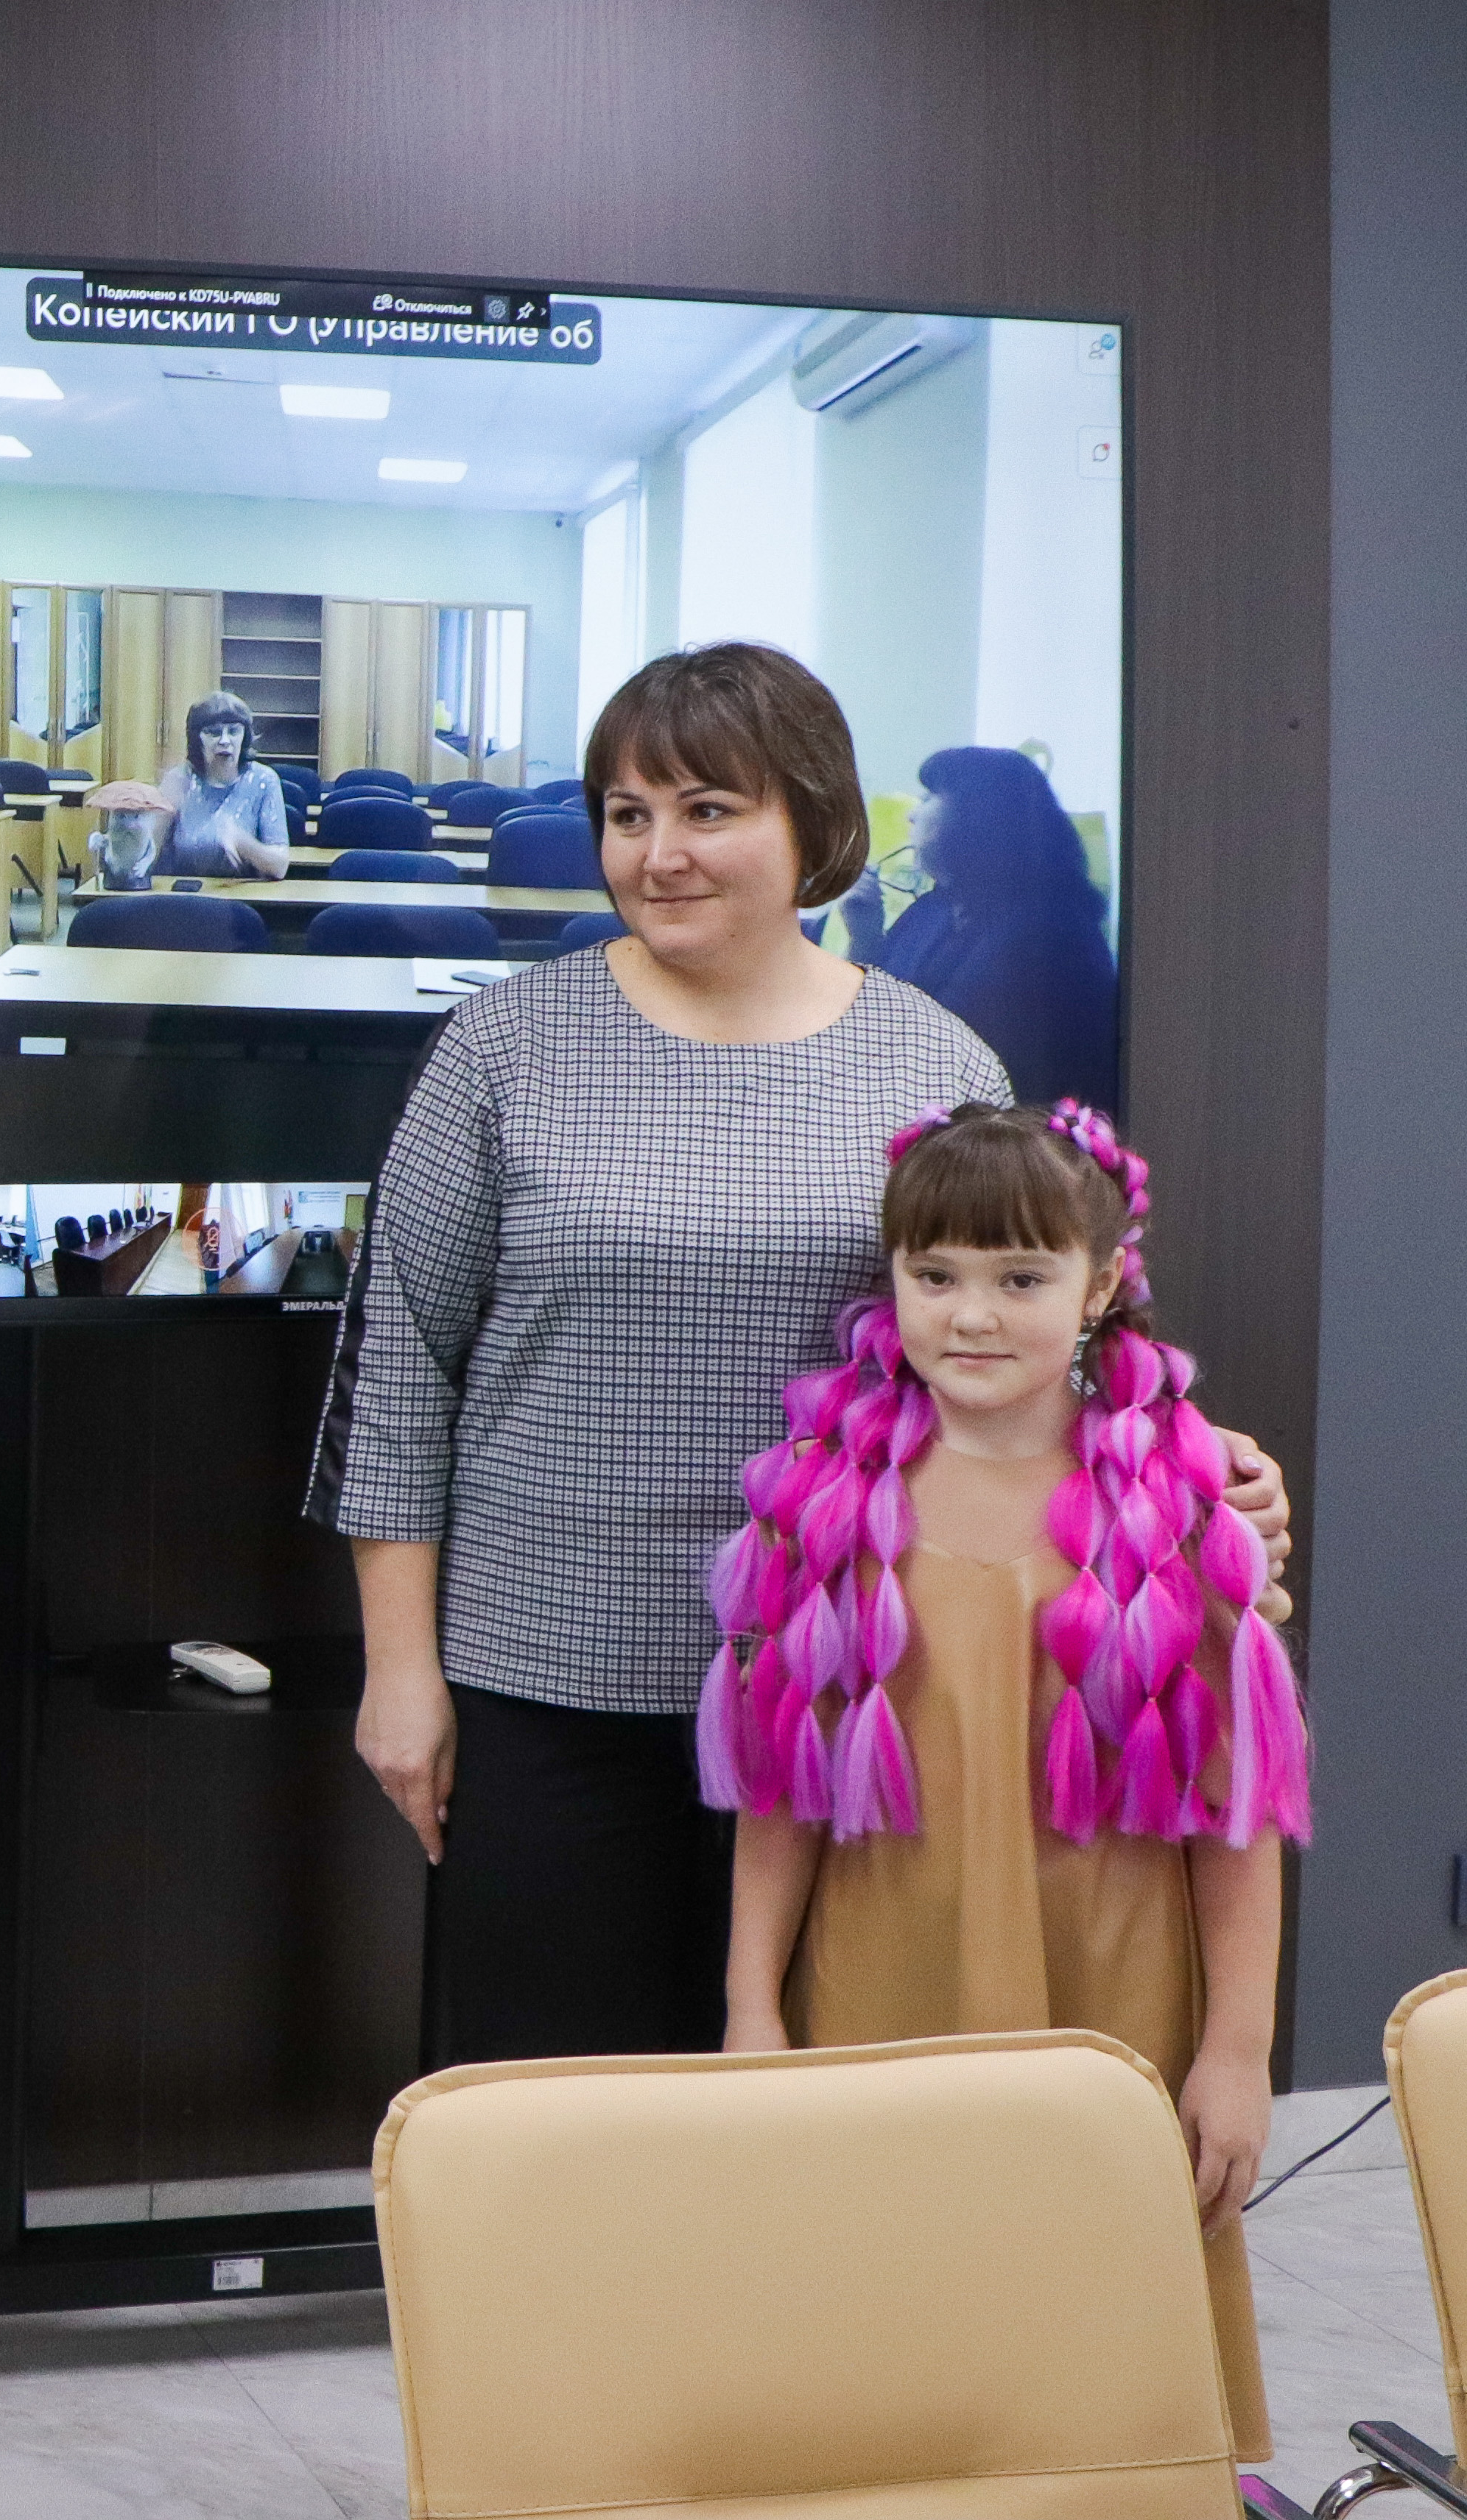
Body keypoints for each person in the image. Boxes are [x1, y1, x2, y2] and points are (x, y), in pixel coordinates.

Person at [312, 642, 1290, 2068]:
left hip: (846, 1680)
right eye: (627, 813)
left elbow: (1005, 1333)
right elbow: (400, 1362)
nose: (656, 853)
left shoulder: (931, 1058)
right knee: (553, 2103)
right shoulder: (499, 1047)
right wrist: (398, 1668)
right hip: (547, 1672)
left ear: (810, 821)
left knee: (800, 2116)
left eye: (705, 808)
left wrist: (1195, 1468)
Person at [713, 1098, 1303, 2457]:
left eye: (1020, 1277)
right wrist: (749, 2005)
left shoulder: (1178, 1510)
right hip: (877, 1994)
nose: (969, 1314)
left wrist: (1234, 2048)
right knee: (882, 2344)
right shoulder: (820, 1503)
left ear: (1098, 1286)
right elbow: (777, 1792)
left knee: (1096, 2357)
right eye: (933, 1274)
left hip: (1113, 2001)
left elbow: (1234, 1813)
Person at [841, 744, 1120, 1113]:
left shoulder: (1052, 934)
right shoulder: (934, 909)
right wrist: (865, 938)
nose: (912, 814)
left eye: (928, 799)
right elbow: (870, 1021)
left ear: (977, 815)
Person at [155, 691, 290, 878]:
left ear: (244, 737)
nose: (225, 741)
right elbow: (147, 857)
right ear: (197, 738)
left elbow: (280, 867)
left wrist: (243, 842)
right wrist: (154, 816)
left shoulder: (264, 780)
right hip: (185, 891)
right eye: (214, 732)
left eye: (233, 732)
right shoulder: (179, 779)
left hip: (242, 894)